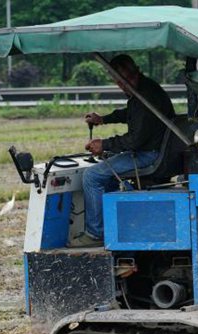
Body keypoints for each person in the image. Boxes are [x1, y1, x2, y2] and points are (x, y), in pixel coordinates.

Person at [69, 54, 175, 248]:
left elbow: (135, 140)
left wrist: (105, 145)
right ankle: (110, 228)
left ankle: (94, 234)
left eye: (120, 80)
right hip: (154, 149)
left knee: (92, 176)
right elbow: (131, 115)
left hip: (149, 155)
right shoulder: (145, 89)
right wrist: (105, 119)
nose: (120, 85)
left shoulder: (144, 96)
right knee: (105, 174)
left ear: (124, 78)